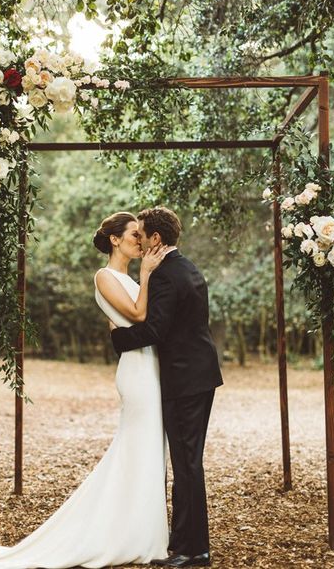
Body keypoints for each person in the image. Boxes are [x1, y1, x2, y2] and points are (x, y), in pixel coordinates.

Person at [0, 211, 169, 569]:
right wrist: (147, 274)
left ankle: (141, 530)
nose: (139, 240)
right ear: (115, 239)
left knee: (149, 448)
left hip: (151, 368)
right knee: (137, 446)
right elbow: (139, 315)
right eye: (132, 234)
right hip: (136, 374)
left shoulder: (131, 278)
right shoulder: (105, 277)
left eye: (140, 235)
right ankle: (126, 534)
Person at [111, 206, 223, 568]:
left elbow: (155, 330)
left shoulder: (162, 276)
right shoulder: (188, 267)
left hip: (184, 379)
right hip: (200, 376)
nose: (139, 241)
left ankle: (192, 550)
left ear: (156, 238)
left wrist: (118, 339)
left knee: (187, 464)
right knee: (189, 462)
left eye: (141, 235)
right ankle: (186, 543)